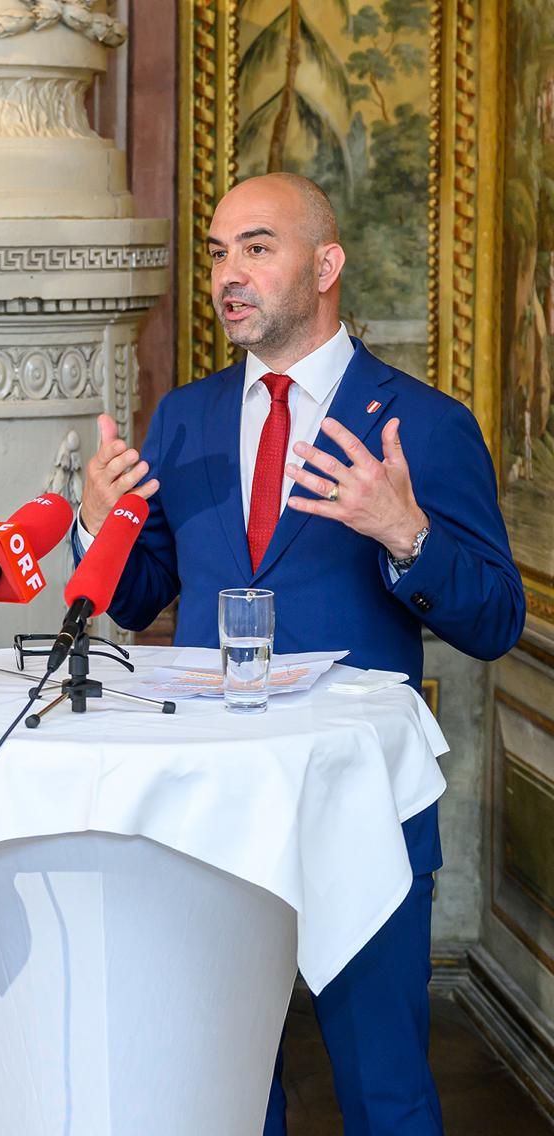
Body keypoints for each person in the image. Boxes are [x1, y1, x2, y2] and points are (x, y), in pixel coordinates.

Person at [79, 171, 524, 1134]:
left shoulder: (424, 425)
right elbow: (140, 596)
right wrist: (98, 527)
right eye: (216, 252)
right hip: (212, 805)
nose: (227, 273)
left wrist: (408, 535)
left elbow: (495, 620)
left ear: (326, 265)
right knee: (226, 1084)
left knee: (385, 1088)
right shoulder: (188, 418)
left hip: (356, 805)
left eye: (256, 247)